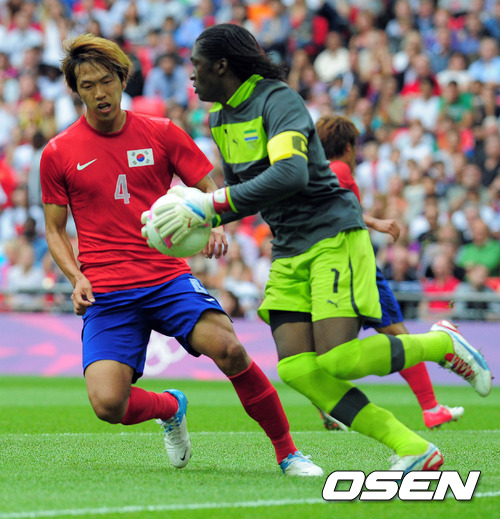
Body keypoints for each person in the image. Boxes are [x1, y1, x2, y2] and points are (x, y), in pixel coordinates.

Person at [152, 23, 492, 475]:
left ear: (221, 65)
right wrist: (206, 218)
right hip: (288, 247)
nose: (190, 76)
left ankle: (440, 343)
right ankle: (413, 447)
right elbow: (243, 191)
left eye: (196, 65)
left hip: (331, 235)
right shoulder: (220, 119)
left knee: (338, 359)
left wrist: (210, 205)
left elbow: (290, 173)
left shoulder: (276, 100)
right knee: (297, 369)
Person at [40, 33, 323, 477]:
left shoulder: (161, 132)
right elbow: (54, 230)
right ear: (76, 91)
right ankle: (171, 407)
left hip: (166, 277)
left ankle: (289, 453)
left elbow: (208, 187)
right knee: (108, 404)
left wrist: (214, 223)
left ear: (123, 79)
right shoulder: (58, 152)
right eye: (88, 85)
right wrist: (77, 277)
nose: (100, 93)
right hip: (107, 291)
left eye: (107, 81)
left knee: (229, 349)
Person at [314, 114, 464, 430]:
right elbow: (331, 206)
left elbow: (330, 206)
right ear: (349, 146)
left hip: (331, 269)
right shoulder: (339, 169)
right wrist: (375, 222)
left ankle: (328, 406)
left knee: (329, 347)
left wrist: (371, 220)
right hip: (357, 266)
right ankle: (431, 407)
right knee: (399, 336)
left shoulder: (319, 171)